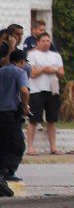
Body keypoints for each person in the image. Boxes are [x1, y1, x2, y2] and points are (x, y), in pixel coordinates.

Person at [25, 33, 65, 155]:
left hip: (52, 90)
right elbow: (31, 73)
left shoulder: (56, 56)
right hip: (37, 90)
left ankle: (53, 147)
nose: (46, 43)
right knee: (34, 119)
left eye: (48, 41)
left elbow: (62, 73)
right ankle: (30, 147)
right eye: (43, 41)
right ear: (38, 42)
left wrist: (53, 70)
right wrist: (44, 69)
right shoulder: (32, 55)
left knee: (52, 120)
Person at [0, 50, 30, 183]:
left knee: (3, 144)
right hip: (9, 114)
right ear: (22, 61)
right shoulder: (20, 72)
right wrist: (25, 106)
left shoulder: (1, 71)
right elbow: (24, 90)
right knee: (17, 145)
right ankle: (8, 171)